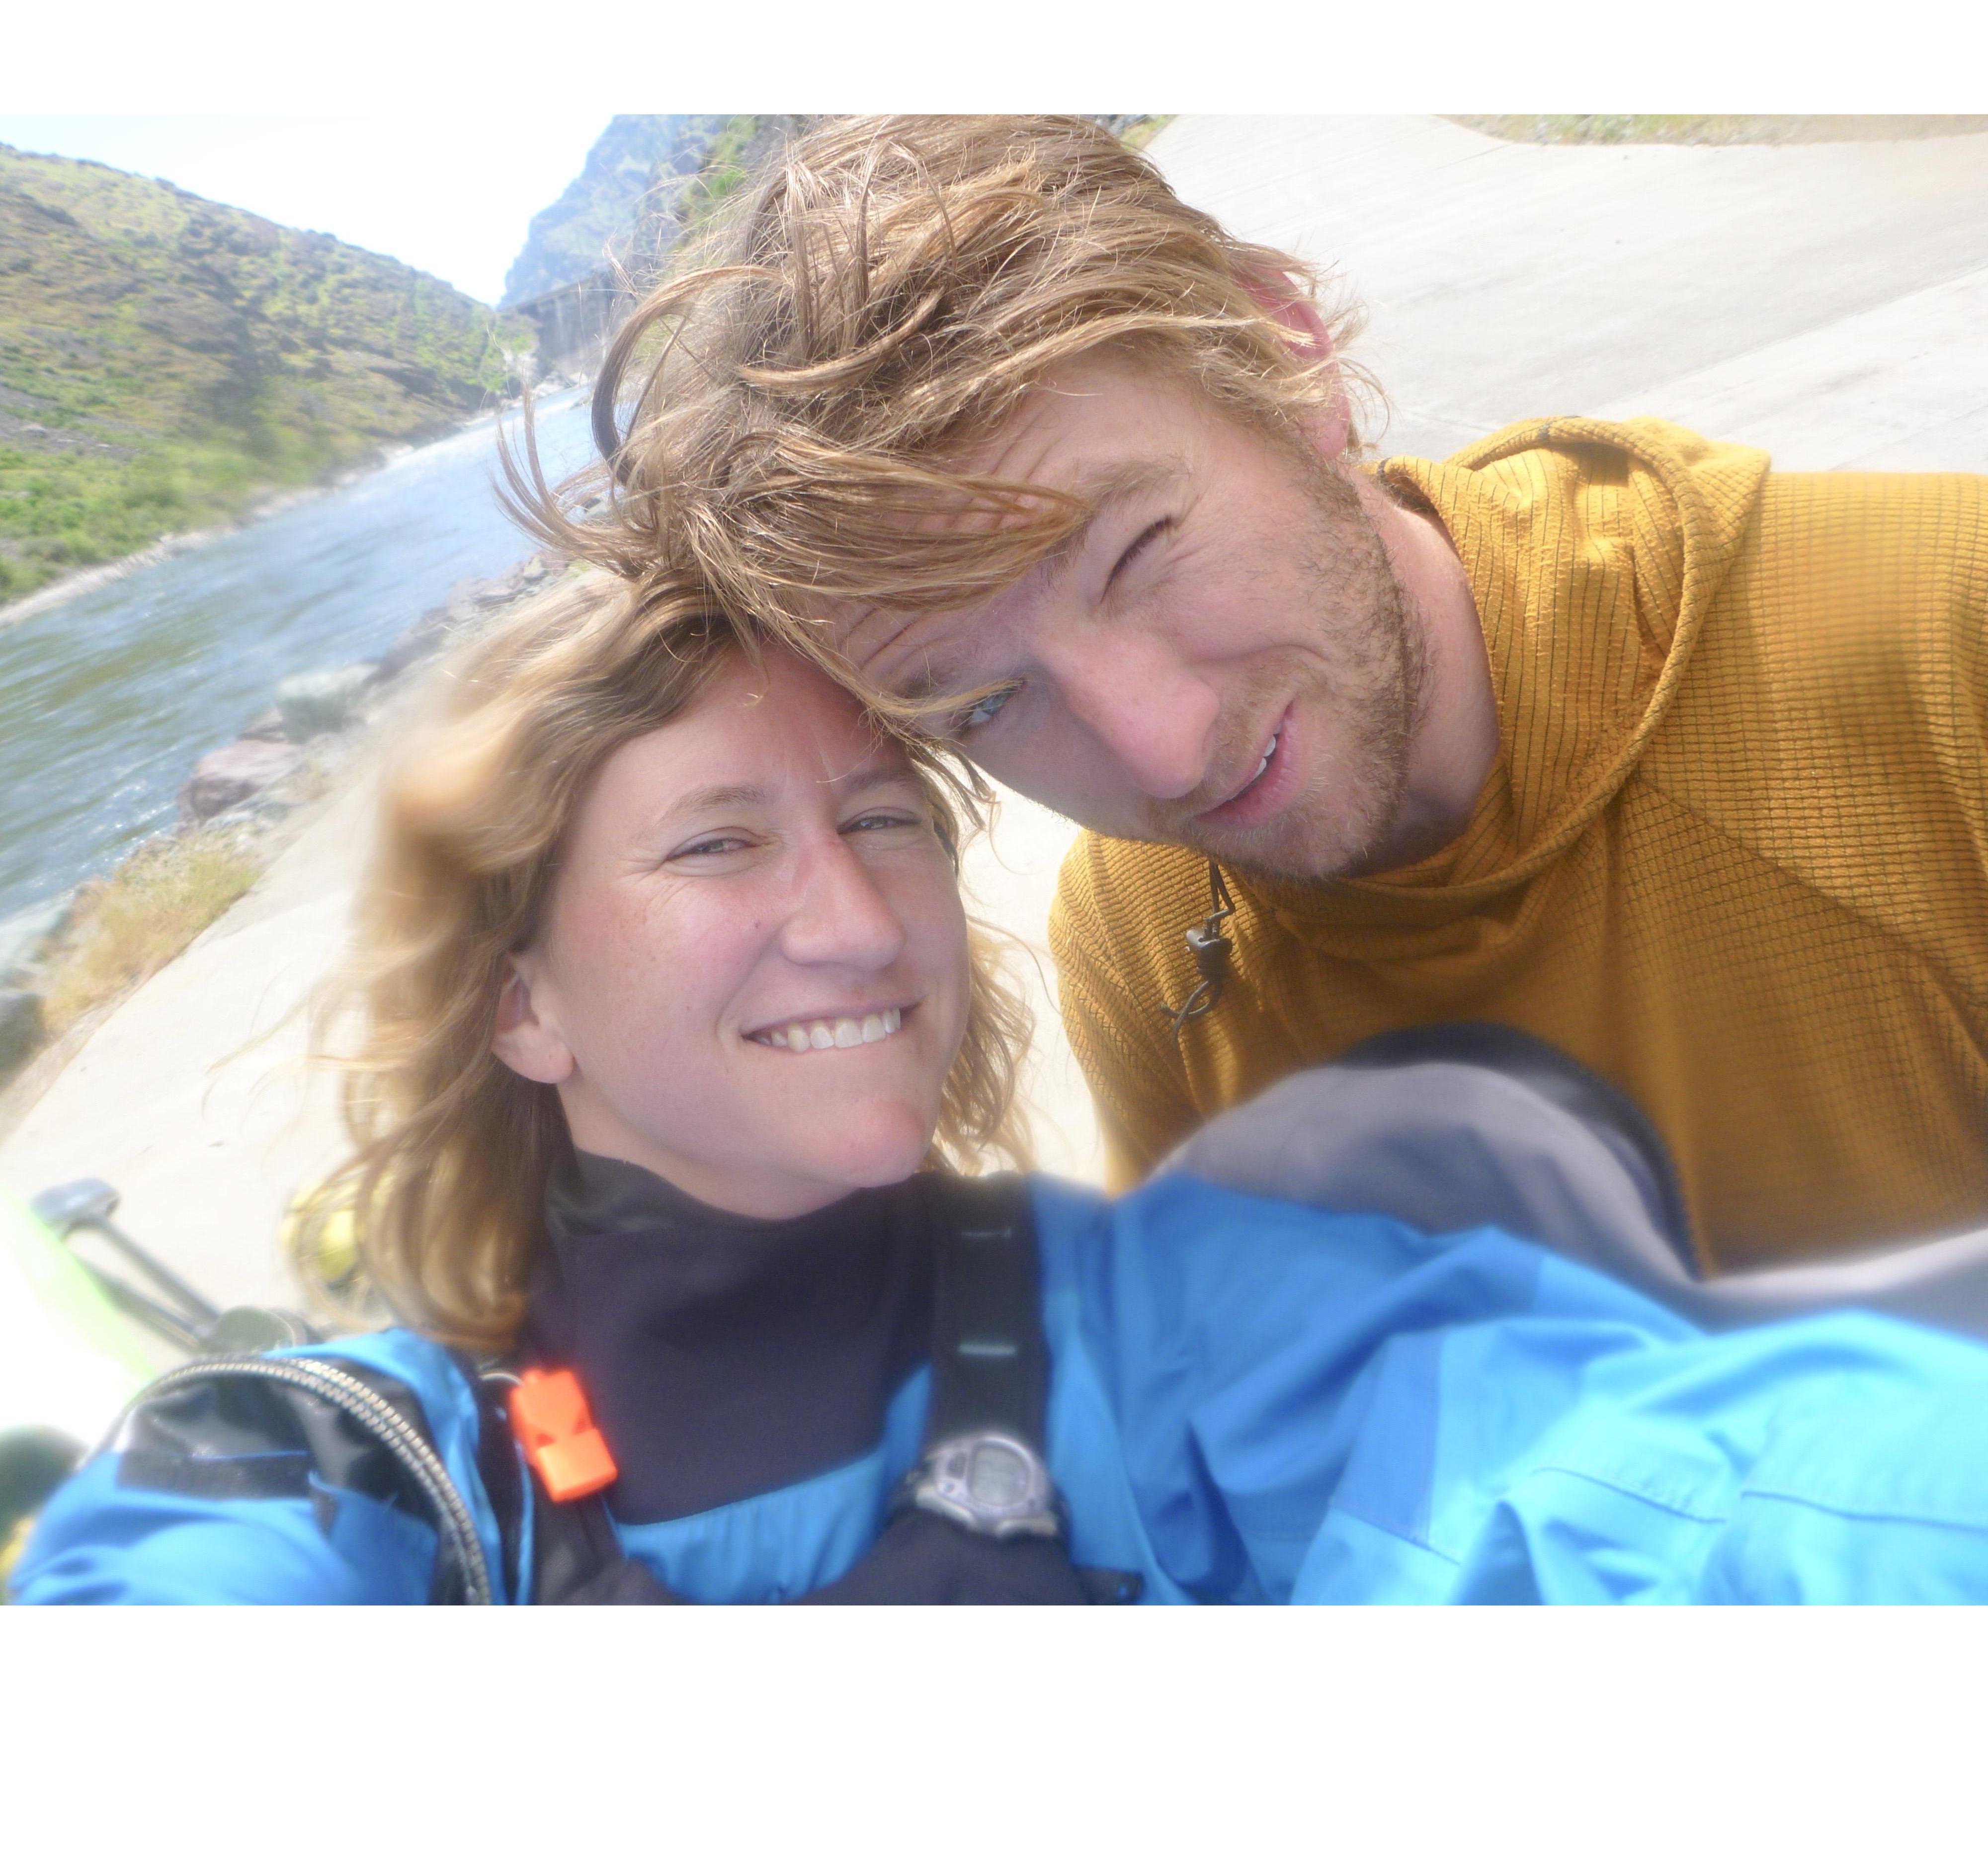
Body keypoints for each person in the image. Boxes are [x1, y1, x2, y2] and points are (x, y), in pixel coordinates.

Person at [19, 570, 1988, 1606]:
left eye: (885, 820)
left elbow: (1653, 1487)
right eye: (718, 847)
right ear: (519, 1000)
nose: (861, 923)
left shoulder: (1177, 1313)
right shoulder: (333, 1462)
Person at [543, 114, 1988, 1278]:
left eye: (1137, 551)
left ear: (1284, 352)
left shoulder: (1946, 644)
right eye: (981, 705)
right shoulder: (1140, 937)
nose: (1163, 754)